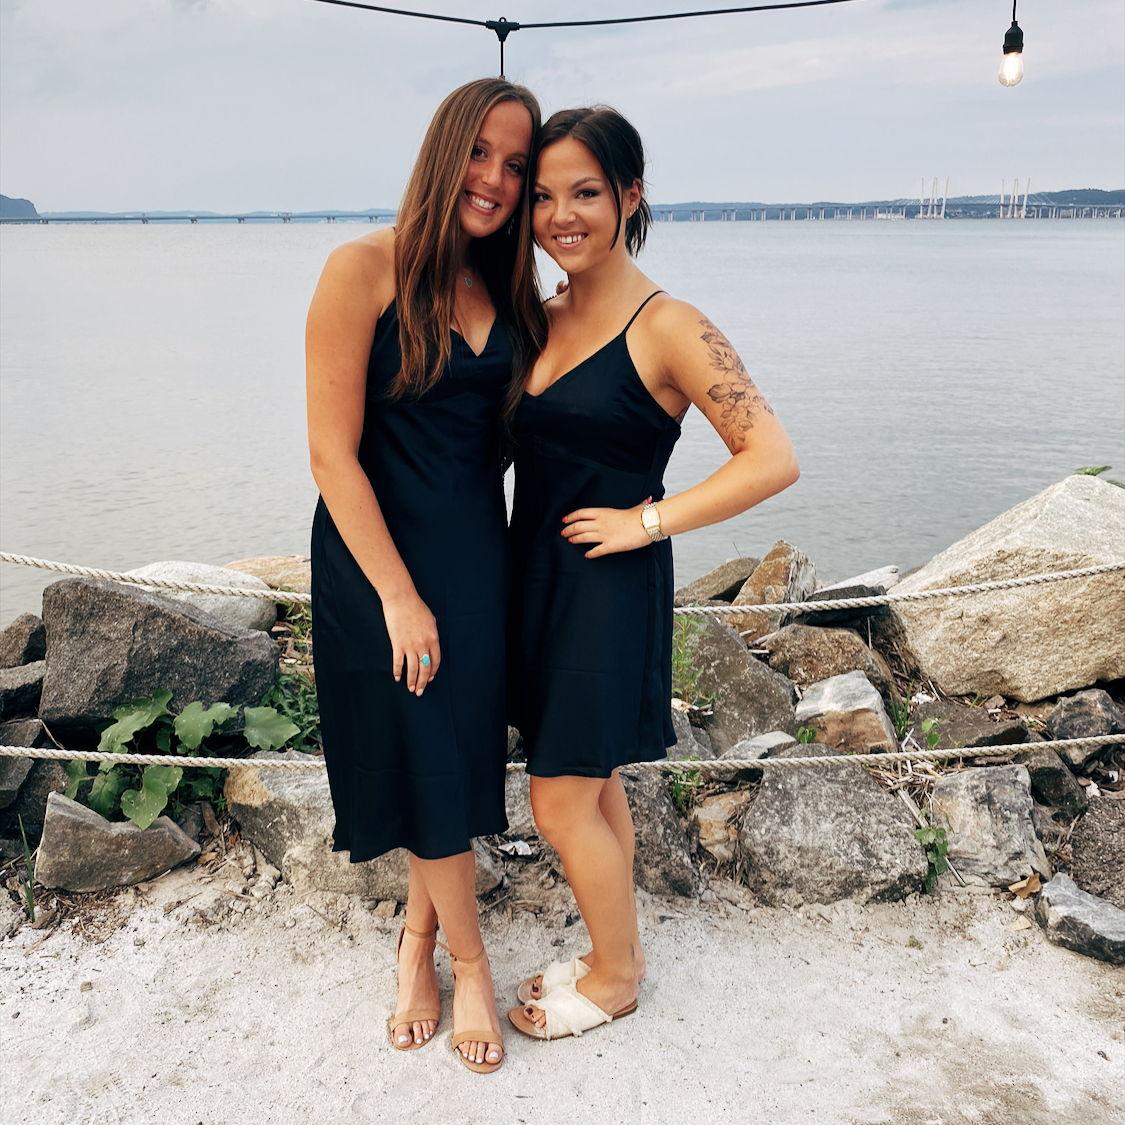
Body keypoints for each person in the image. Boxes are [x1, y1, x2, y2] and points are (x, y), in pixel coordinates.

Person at [505, 106, 800, 1041]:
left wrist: (647, 520)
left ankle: (616, 979)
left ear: (630, 197)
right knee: (592, 787)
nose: (561, 215)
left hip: (606, 586)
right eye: (542, 196)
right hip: (533, 580)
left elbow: (771, 457)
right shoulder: (538, 317)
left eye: (585, 192)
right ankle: (614, 949)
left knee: (558, 798)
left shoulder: (668, 324)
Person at [305, 77, 546, 1074]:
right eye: (481, 152)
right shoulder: (361, 268)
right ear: (445, 150)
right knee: (429, 753)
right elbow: (331, 456)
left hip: (477, 560)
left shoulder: (511, 293)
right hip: (380, 565)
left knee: (445, 760)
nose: (495, 178)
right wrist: (398, 596)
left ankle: (415, 940)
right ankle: (469, 966)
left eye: (517, 165)